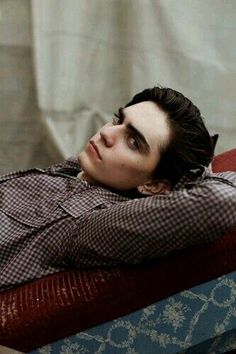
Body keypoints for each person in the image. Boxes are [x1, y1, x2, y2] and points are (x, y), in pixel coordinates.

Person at [0, 86, 235, 292]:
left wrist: (199, 170)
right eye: (117, 120)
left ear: (153, 185)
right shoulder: (84, 172)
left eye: (133, 142)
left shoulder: (92, 224)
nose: (106, 133)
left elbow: (221, 201)